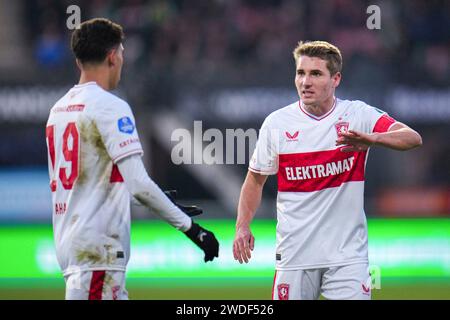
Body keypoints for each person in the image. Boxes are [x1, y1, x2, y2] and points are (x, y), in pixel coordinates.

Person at [232, 41, 422, 300]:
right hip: (294, 254)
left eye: (316, 74)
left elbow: (412, 138)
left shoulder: (357, 114)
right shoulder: (276, 123)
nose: (305, 82)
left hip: (347, 257)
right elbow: (255, 180)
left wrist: (372, 139)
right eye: (301, 73)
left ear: (336, 79)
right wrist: (242, 226)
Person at [45, 18, 219, 300]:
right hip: (99, 252)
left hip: (76, 248)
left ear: (79, 61)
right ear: (113, 56)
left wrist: (160, 199)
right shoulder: (111, 105)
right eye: (122, 53)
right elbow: (138, 183)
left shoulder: (58, 110)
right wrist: (193, 230)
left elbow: (94, 184)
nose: (123, 61)